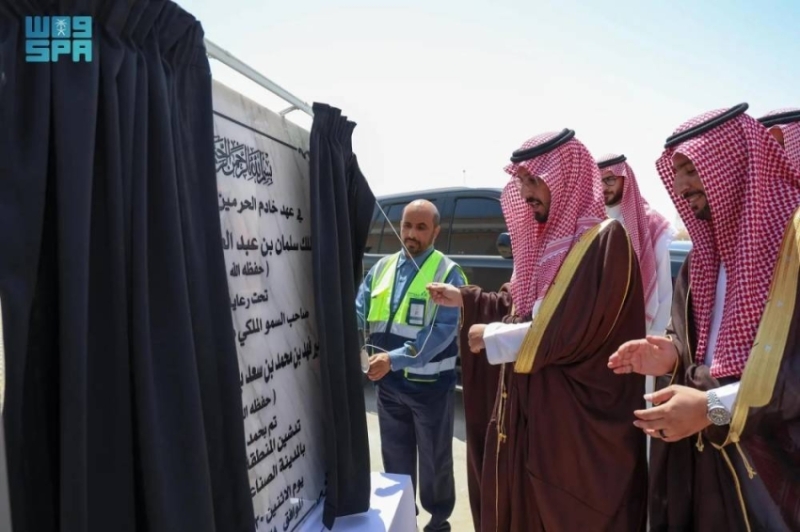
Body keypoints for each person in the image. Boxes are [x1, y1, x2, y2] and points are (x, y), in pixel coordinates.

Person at [428, 129, 648, 531]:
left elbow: (575, 331)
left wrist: (492, 337)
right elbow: (522, 309)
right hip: (531, 415)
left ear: (565, 178)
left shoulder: (605, 243)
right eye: (522, 182)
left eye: (535, 180)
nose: (527, 192)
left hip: (573, 430)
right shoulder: (544, 243)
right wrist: (467, 300)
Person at [609, 103, 800, 531]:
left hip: (773, 476)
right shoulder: (704, 255)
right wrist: (672, 354)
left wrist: (712, 407)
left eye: (692, 169)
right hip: (703, 462)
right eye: (676, 172)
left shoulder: (795, 246)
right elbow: (700, 342)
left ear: (734, 165)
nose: (680, 185)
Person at [356, 199, 466, 532]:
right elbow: (358, 310)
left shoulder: (448, 272)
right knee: (395, 460)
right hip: (388, 386)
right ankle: (404, 521)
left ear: (436, 231)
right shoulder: (382, 268)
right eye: (407, 225)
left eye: (421, 227)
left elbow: (441, 332)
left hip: (429, 387)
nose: (411, 234)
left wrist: (394, 359)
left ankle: (438, 523)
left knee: (435, 462)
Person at [597, 153, 676, 336]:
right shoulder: (592, 222)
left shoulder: (651, 223)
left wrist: (655, 334)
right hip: (600, 331)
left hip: (641, 329)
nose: (603, 187)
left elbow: (663, 289)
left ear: (626, 179)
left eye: (609, 179)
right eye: (599, 181)